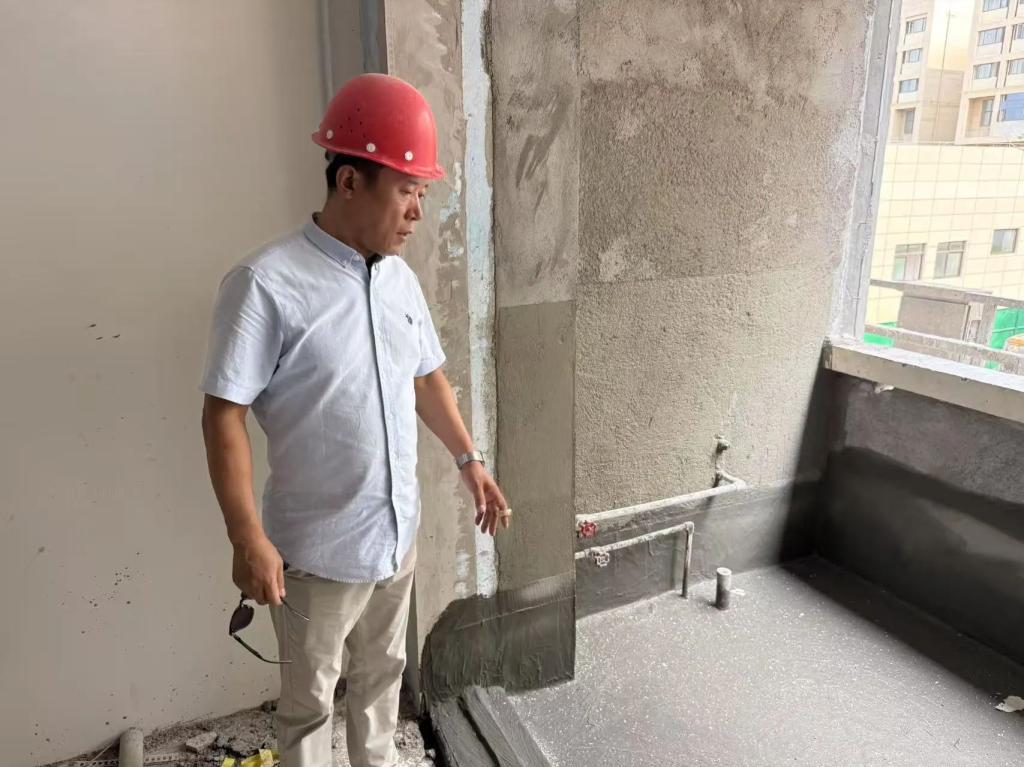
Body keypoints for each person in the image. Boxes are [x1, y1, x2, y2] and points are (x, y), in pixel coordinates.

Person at [200, 73, 510, 767]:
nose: (418, 212)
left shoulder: (399, 278)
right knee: (310, 704)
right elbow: (224, 415)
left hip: (395, 538)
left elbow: (425, 376)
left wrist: (470, 461)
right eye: (406, 191)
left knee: (381, 683)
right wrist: (247, 536)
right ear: (348, 181)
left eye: (422, 193)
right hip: (316, 554)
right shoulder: (266, 285)